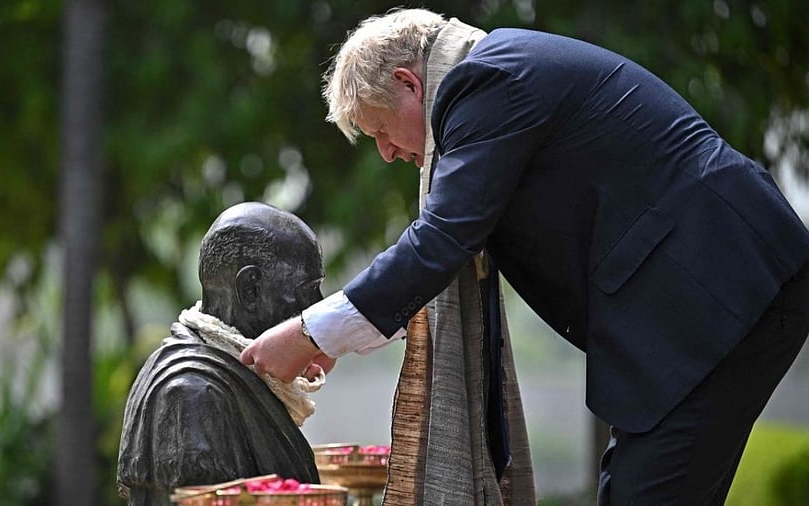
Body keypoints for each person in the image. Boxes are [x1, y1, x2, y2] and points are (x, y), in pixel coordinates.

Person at [241, 8, 809, 505]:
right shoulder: (497, 77)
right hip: (713, 296)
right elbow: (437, 262)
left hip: (724, 286)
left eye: (381, 131)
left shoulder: (488, 81)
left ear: (408, 83)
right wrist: (341, 337)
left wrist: (309, 335)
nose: (388, 154)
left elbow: (440, 241)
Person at [117, 201, 333, 505]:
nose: (318, 305)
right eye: (306, 290)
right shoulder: (192, 393)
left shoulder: (227, 375)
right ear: (250, 289)